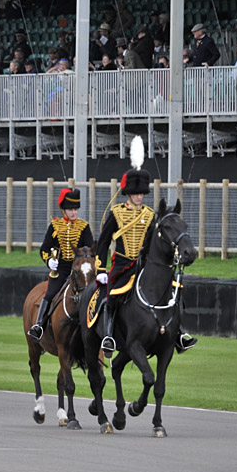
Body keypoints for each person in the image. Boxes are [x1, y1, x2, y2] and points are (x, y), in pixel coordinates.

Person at [94, 144, 196, 356]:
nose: (139, 197)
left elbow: (155, 243)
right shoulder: (117, 213)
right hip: (122, 265)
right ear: (128, 194)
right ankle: (109, 336)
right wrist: (101, 269)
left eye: (141, 193)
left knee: (174, 291)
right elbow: (103, 243)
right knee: (111, 296)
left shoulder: (150, 215)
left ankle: (178, 334)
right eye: (135, 193)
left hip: (145, 265)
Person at [27, 188, 94, 341]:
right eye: (70, 209)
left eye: (76, 209)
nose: (74, 212)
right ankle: (39, 325)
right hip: (61, 270)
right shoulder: (55, 226)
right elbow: (44, 248)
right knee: (50, 294)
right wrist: (49, 260)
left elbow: (90, 250)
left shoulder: (83, 227)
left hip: (79, 270)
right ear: (63, 209)